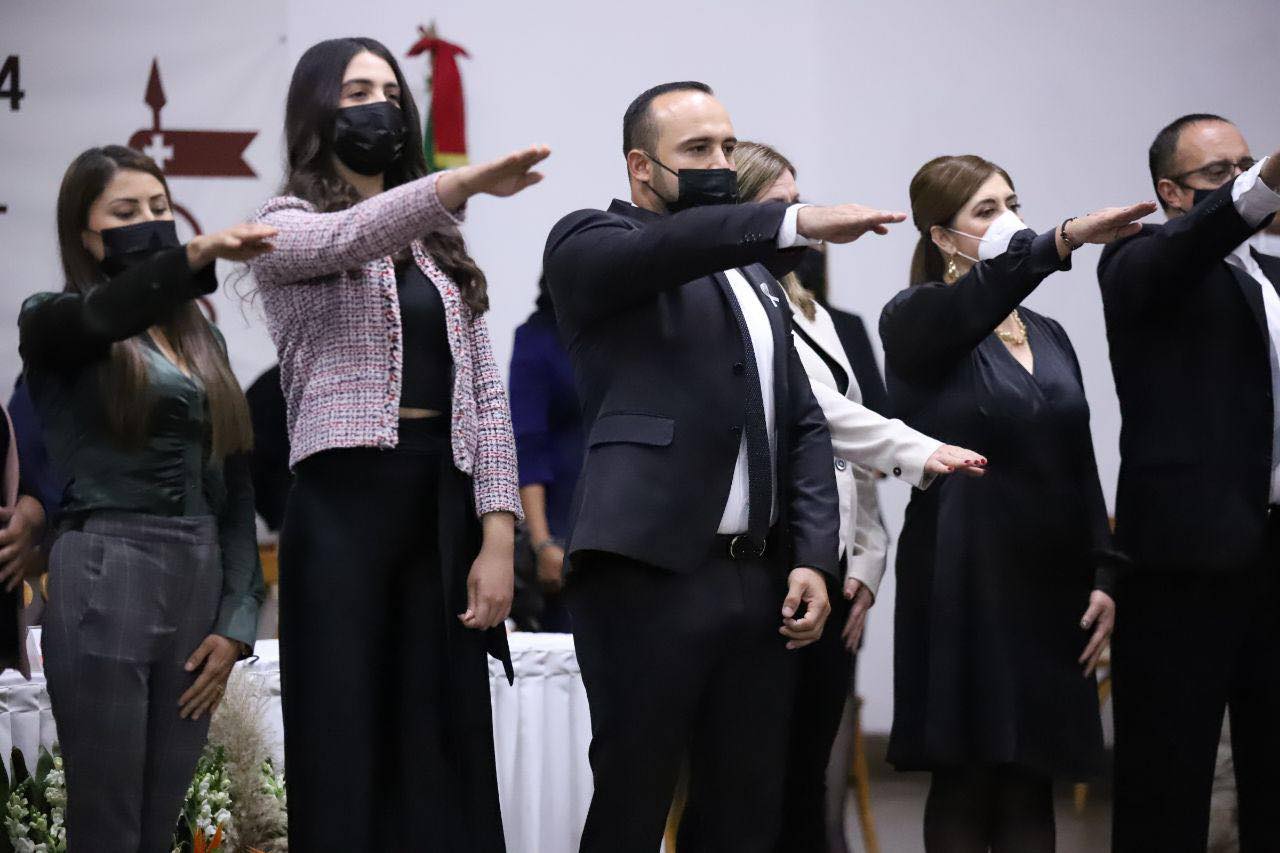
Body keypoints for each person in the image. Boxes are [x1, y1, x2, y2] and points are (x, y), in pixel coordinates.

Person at [544, 79, 933, 852]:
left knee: (744, 807)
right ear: (640, 168)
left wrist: (816, 560)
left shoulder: (759, 282)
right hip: (646, 573)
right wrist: (791, 219)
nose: (721, 163)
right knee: (635, 794)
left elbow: (802, 425)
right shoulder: (592, 243)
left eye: (728, 146)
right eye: (697, 150)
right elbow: (673, 248)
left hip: (755, 582)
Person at [246, 37, 549, 852]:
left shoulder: (445, 249)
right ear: (318, 110)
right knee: (342, 729)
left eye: (388, 89)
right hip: (341, 505)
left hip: (439, 504)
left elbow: (486, 395)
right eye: (356, 90)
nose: (378, 103)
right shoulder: (286, 225)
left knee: (440, 728)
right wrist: (457, 185)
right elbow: (348, 239)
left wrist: (498, 531)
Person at [881, 153, 1152, 852]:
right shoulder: (917, 316)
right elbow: (970, 306)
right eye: (985, 211)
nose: (1009, 222)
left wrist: (1103, 572)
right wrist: (1056, 241)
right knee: (970, 772)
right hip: (963, 567)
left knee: (1035, 773)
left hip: (1048, 572)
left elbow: (1079, 457)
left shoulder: (1049, 333)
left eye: (1012, 204)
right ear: (942, 236)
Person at [732, 139, 987, 853]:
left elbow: (858, 463)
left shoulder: (826, 319)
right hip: (770, 556)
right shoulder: (730, 304)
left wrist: (866, 569)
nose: (801, 217)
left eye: (800, 199)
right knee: (759, 773)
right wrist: (922, 450)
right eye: (781, 204)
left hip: (836, 564)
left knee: (811, 774)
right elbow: (826, 418)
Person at [18, 144, 268, 852]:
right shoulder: (54, 320)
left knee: (160, 822)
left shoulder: (202, 337)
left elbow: (234, 482)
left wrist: (236, 619)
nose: (151, 223)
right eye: (127, 213)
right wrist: (194, 256)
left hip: (196, 579)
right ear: (84, 234)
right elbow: (102, 319)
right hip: (107, 566)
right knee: (109, 825)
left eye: (160, 208)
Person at [1097, 115, 1280, 852]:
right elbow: (1186, 250)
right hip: (1183, 558)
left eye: (1245, 166)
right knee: (1165, 774)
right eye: (1218, 174)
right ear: (1170, 192)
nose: (1236, 181)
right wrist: (1261, 184)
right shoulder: (1138, 257)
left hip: (1271, 546)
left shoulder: (1267, 276)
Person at [509, 274, 583, 631]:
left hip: (619, 519)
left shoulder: (616, 337)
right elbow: (528, 444)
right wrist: (542, 542)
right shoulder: (537, 340)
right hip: (561, 520)